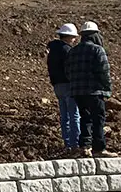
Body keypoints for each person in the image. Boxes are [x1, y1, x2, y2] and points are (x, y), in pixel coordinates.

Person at [65, 21, 116, 157]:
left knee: (85, 118)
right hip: (94, 92)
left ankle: (84, 146)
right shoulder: (98, 50)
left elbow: (68, 71)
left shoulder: (73, 51)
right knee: (98, 119)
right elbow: (104, 71)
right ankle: (99, 148)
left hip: (77, 92)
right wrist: (107, 89)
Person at [46, 23, 81, 152]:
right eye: (73, 37)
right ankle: (75, 143)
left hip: (57, 85)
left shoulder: (53, 50)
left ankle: (67, 143)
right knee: (74, 115)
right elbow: (70, 69)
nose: (74, 40)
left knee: (64, 115)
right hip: (68, 85)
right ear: (68, 37)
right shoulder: (67, 50)